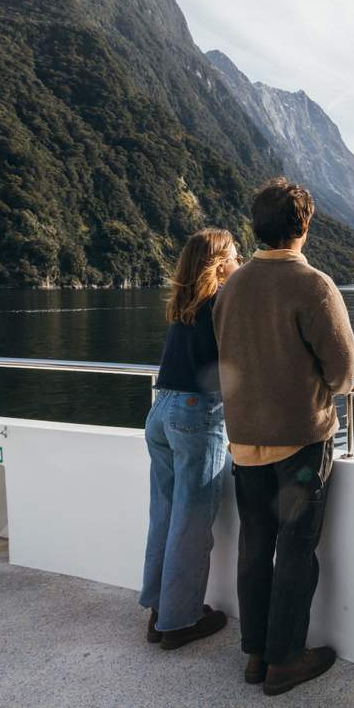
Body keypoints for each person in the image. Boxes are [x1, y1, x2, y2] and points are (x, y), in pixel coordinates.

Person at [213, 178, 354, 696]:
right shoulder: (313, 286)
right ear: (304, 225)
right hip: (300, 441)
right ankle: (285, 661)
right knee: (296, 552)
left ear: (256, 226)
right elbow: (344, 374)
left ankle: (255, 654)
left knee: (255, 547)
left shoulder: (230, 288)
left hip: (243, 440)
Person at [141, 228, 240, 649]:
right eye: (234, 255)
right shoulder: (221, 303)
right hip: (196, 415)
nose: (239, 262)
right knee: (192, 525)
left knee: (164, 515)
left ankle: (159, 611)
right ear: (219, 264)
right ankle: (180, 623)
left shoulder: (184, 305)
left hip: (161, 411)